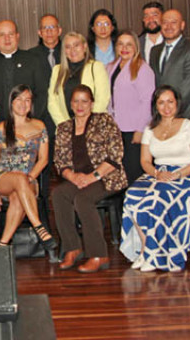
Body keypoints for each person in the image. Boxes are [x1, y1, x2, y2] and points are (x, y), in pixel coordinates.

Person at [120, 86, 190, 272]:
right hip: (157, 174)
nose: (166, 107)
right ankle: (145, 251)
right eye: (161, 102)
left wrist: (177, 174)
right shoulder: (150, 129)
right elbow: (145, 161)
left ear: (177, 103)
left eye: (170, 102)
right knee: (133, 196)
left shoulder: (187, 126)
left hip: (186, 176)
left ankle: (156, 254)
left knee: (152, 200)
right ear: (155, 106)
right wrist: (157, 174)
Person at [53, 85, 127, 273]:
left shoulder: (104, 121)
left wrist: (92, 177)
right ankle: (73, 247)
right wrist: (73, 176)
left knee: (82, 199)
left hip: (106, 177)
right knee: (58, 193)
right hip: (78, 179)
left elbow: (115, 155)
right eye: (76, 101)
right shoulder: (63, 128)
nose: (80, 105)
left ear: (91, 104)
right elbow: (59, 161)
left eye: (84, 101)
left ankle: (99, 254)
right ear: (70, 104)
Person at [0, 85, 55, 254]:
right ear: (11, 103)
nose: (23, 104)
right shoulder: (0, 129)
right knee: (18, 178)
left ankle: (2, 245)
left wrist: (31, 176)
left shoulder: (40, 126)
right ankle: (39, 226)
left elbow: (44, 159)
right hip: (4, 180)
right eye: (19, 100)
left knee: (18, 197)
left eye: (27, 100)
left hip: (30, 179)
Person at [0, 20, 50, 123]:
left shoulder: (33, 60)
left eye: (11, 34)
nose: (7, 38)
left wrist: (29, 120)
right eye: (2, 34)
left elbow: (42, 94)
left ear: (17, 36)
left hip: (28, 124)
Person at [107, 31, 155, 184]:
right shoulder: (111, 67)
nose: (124, 48)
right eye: (121, 43)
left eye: (129, 44)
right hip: (116, 129)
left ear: (136, 47)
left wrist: (140, 130)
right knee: (119, 174)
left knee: (134, 174)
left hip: (133, 130)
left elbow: (147, 101)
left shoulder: (142, 69)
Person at [149, 9, 190, 121]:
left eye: (174, 22)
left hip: (184, 116)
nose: (168, 26)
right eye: (165, 22)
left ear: (182, 25)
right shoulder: (155, 51)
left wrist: (168, 112)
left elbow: (189, 89)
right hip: (161, 118)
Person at [47, 32, 110, 126]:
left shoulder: (96, 67)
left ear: (84, 46)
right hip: (67, 128)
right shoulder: (57, 70)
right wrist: (65, 125)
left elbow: (102, 99)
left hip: (94, 127)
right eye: (68, 47)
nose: (73, 50)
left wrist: (86, 124)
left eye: (76, 45)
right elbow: (52, 102)